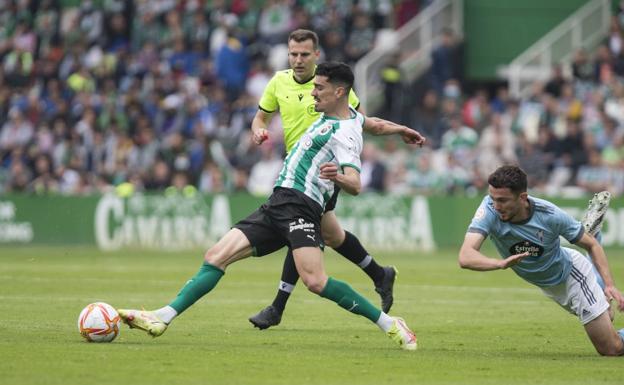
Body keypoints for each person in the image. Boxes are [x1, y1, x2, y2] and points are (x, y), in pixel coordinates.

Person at [117, 62, 418, 351]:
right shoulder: (351, 116)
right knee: (215, 256)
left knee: (315, 281)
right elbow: (373, 123)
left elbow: (355, 184)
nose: (313, 93)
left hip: (302, 208)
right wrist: (401, 129)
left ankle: (390, 323)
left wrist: (337, 175)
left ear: (339, 92)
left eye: (320, 89)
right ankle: (161, 317)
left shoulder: (345, 135)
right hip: (277, 203)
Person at [248, 29, 425, 329]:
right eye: (293, 54)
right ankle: (380, 274)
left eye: (305, 54)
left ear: (317, 55)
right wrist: (257, 129)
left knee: (300, 229)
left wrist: (399, 129)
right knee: (330, 234)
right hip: (296, 168)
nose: (298, 59)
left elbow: (359, 123)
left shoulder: (333, 86)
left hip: (323, 172)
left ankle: (277, 307)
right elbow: (260, 117)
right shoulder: (278, 82)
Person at [459, 165, 624, 356]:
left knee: (611, 348)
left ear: (522, 197)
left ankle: (594, 243)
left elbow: (592, 245)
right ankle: (600, 296)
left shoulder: (550, 215)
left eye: (503, 200)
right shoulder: (489, 209)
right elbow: (465, 256)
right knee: (607, 317)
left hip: (571, 275)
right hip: (549, 284)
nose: (496, 206)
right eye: (493, 198)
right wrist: (500, 264)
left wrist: (611, 285)